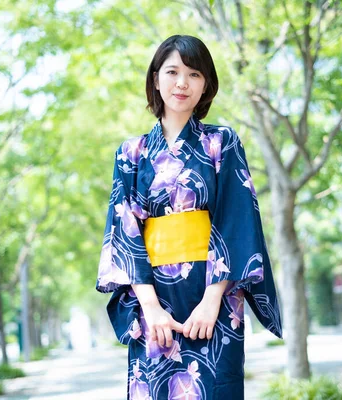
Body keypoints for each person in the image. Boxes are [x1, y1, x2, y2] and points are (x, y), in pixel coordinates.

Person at [96, 34, 282, 400]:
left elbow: (238, 221)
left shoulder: (221, 143)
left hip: (214, 298)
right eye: (173, 71)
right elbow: (125, 232)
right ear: (155, 79)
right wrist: (150, 308)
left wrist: (213, 301)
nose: (182, 83)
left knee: (217, 387)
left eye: (195, 74)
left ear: (206, 85)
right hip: (154, 305)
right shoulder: (131, 153)